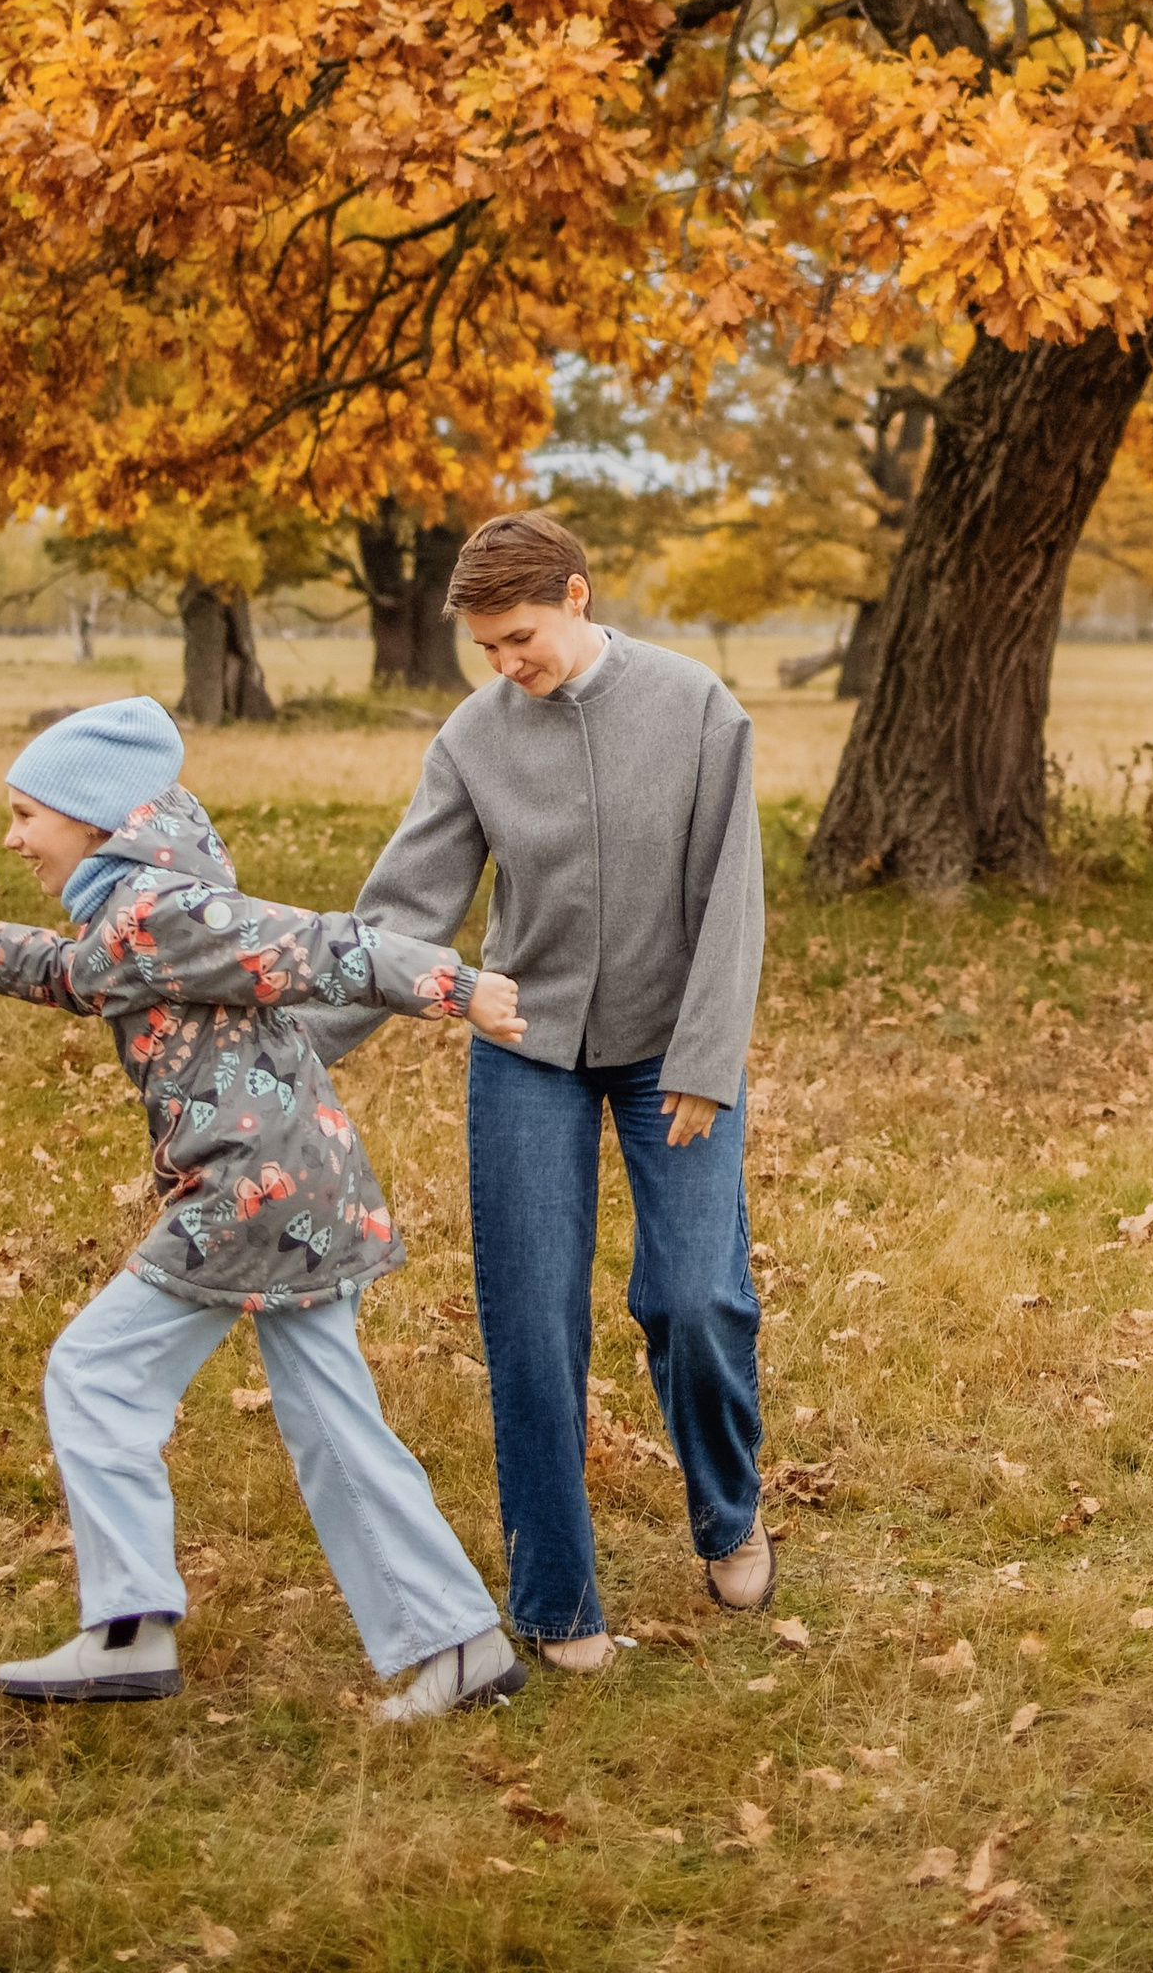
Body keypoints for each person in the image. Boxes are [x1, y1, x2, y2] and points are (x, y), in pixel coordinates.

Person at [0, 691, 530, 1720]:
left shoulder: (165, 909)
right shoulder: (135, 915)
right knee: (332, 1417)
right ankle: (458, 1646)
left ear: (94, 816)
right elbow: (87, 974)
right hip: (302, 1186)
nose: (12, 837)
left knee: (97, 1373)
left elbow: (323, 946)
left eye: (27, 814)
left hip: (252, 1193)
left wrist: (453, 986)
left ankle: (127, 1626)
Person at [305, 513, 767, 1670]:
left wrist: (708, 1063)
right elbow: (403, 915)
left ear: (575, 594)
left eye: (520, 637)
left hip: (675, 1050)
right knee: (532, 1323)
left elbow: (733, 897)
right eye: (488, 649)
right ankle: (558, 1597)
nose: (508, 665)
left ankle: (729, 1511)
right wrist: (299, 1045)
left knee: (695, 1295)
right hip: (527, 1051)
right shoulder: (473, 738)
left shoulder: (698, 707)